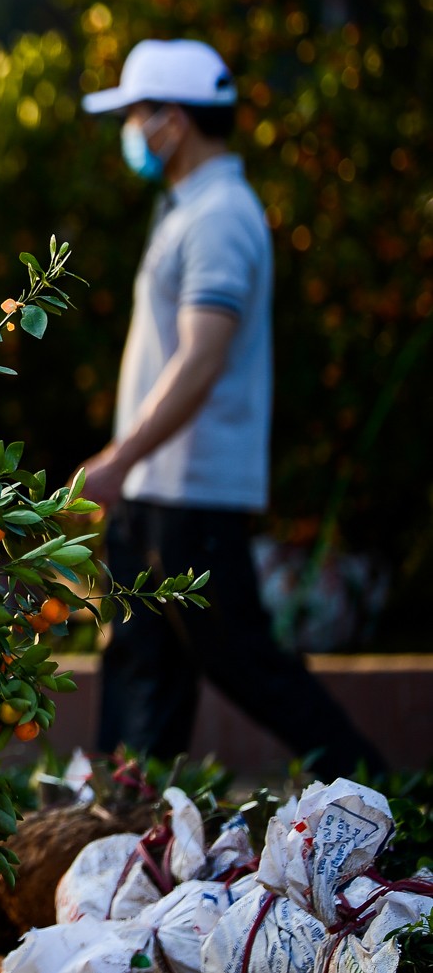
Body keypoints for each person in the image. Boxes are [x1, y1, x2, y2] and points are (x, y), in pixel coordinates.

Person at [76, 39, 384, 778]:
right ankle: (123, 825)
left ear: (174, 122)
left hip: (193, 491)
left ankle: (377, 789)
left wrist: (120, 458)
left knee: (242, 659)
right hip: (158, 489)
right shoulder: (187, 208)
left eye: (137, 113)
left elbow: (202, 356)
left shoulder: (220, 216)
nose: (131, 130)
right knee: (143, 667)